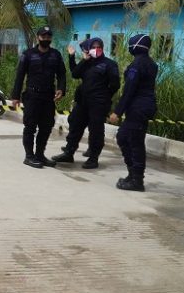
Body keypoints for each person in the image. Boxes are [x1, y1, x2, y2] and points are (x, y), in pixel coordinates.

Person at [52, 38, 120, 169]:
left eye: (99, 46)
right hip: (83, 101)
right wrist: (83, 59)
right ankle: (69, 153)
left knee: (96, 131)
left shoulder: (110, 64)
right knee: (75, 125)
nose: (96, 48)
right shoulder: (87, 63)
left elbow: (115, 85)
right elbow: (75, 74)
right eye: (93, 46)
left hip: (98, 103)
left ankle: (93, 158)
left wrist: (104, 96)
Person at [11, 26, 67, 169]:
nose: (46, 39)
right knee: (30, 126)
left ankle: (40, 155)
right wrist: (15, 96)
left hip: (48, 97)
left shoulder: (56, 55)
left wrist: (61, 88)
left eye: (49, 36)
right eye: (43, 36)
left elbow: (61, 74)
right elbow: (19, 76)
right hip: (32, 96)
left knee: (46, 127)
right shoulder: (28, 54)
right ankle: (29, 156)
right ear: (38, 37)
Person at [109, 34, 158, 192]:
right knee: (125, 137)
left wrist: (117, 112)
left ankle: (137, 180)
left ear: (135, 46)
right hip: (144, 106)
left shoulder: (136, 65)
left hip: (138, 107)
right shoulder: (151, 64)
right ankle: (133, 174)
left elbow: (129, 91)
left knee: (133, 141)